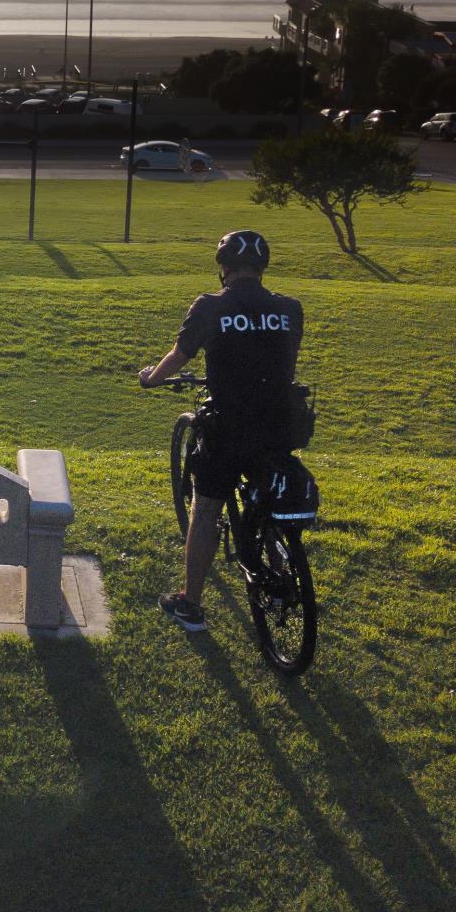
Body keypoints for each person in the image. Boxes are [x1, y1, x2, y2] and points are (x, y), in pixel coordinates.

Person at [137, 229, 303, 632]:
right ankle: (281, 572)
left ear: (224, 268)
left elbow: (180, 355)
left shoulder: (211, 306)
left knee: (206, 507)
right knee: (269, 499)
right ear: (262, 268)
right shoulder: (290, 308)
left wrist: (150, 380)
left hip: (228, 427)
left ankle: (190, 604)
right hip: (281, 424)